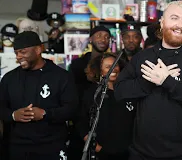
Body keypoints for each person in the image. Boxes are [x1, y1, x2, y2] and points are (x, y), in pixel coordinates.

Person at [114, 0, 182, 160]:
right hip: (142, 153)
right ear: (162, 23)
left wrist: (167, 81)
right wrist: (148, 81)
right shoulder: (143, 57)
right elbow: (119, 91)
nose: (180, 25)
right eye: (174, 18)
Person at [0, 31, 78, 160]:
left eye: (23, 52)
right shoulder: (9, 79)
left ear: (38, 50)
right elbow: (1, 108)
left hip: (52, 145)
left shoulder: (62, 76)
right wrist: (13, 115)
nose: (19, 56)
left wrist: (45, 114)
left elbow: (72, 109)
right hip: (18, 147)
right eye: (16, 52)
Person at [77, 53, 135, 160]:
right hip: (102, 153)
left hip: (128, 153)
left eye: (115, 65)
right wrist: (98, 149)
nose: (113, 69)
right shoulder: (93, 94)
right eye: (107, 66)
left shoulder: (128, 91)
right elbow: (82, 124)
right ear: (99, 70)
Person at [67, 25, 111, 160]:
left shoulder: (115, 64)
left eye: (106, 37)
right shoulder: (77, 65)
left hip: (107, 121)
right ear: (91, 39)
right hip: (82, 120)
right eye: (99, 35)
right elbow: (71, 94)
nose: (103, 39)